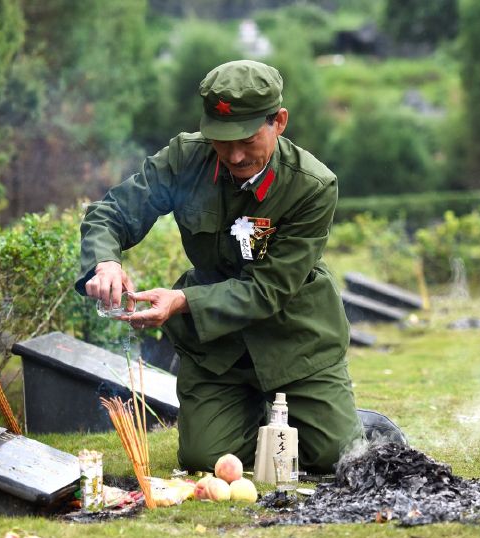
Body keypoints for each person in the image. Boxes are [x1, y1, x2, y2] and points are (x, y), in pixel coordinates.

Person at [75, 60, 364, 474]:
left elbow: (267, 290)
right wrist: (105, 262)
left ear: (278, 122)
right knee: (204, 460)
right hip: (217, 346)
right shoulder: (183, 160)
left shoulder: (312, 186)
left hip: (294, 336)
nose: (234, 154)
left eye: (246, 138)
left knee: (335, 456)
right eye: (220, 140)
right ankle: (259, 419)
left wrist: (181, 301)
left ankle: (335, 419)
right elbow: (112, 212)